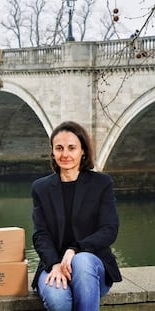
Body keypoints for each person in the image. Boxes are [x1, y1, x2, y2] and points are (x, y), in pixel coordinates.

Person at [30, 121, 122, 311]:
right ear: (53, 152)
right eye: (59, 148)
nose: (65, 154)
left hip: (91, 268)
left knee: (81, 260)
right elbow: (41, 235)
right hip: (53, 265)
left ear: (83, 151)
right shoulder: (41, 188)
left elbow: (109, 230)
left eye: (72, 148)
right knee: (59, 301)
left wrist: (75, 249)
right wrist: (55, 264)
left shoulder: (101, 183)